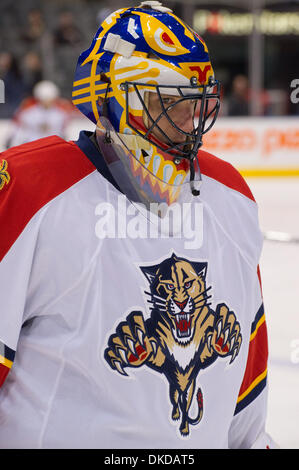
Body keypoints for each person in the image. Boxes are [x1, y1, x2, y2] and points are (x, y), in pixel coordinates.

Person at [0, 2, 277, 449]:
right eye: (167, 104)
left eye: (196, 104)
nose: (190, 124)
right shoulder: (29, 188)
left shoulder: (231, 197)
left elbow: (244, 401)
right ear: (115, 97)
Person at [5, 80, 74, 148]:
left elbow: (63, 132)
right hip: (32, 146)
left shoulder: (60, 114)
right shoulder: (28, 113)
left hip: (53, 147)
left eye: (49, 98)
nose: (47, 101)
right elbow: (20, 131)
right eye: (44, 98)